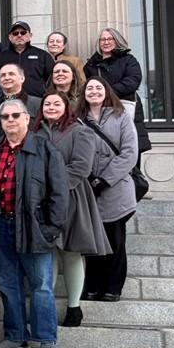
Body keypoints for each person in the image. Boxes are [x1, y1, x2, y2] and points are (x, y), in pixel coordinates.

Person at [0, 98, 69, 348]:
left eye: (15, 116)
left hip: (33, 227)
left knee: (41, 286)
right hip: (1, 226)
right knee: (8, 284)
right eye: (5, 117)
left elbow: (59, 193)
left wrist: (50, 228)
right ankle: (15, 336)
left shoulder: (44, 149)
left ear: (27, 118)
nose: (10, 120)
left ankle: (46, 339)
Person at [35, 91, 110, 327]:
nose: (51, 106)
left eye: (57, 103)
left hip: (72, 196)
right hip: (39, 199)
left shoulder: (80, 131)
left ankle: (74, 307)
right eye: (47, 103)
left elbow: (81, 167)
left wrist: (52, 186)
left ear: (67, 107)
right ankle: (44, 308)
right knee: (47, 252)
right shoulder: (33, 132)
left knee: (71, 252)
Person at [79, 78, 138, 303]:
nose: (94, 92)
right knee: (92, 242)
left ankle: (113, 287)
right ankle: (92, 286)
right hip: (88, 188)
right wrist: (88, 177)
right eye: (89, 88)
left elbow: (129, 153)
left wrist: (105, 179)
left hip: (115, 189)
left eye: (98, 88)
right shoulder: (78, 120)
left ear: (106, 92)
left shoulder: (121, 116)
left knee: (114, 241)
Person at [83, 27, 151, 163]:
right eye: (103, 39)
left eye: (110, 39)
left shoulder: (128, 60)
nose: (106, 42)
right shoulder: (91, 64)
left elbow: (133, 81)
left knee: (129, 152)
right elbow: (85, 86)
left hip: (125, 107)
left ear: (117, 41)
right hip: (99, 111)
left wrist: (106, 92)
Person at [0, 21, 54, 98]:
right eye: (15, 33)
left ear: (30, 35)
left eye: (23, 33)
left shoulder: (42, 55)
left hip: (36, 100)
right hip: (8, 100)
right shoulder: (1, 56)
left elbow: (51, 79)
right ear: (10, 37)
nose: (19, 35)